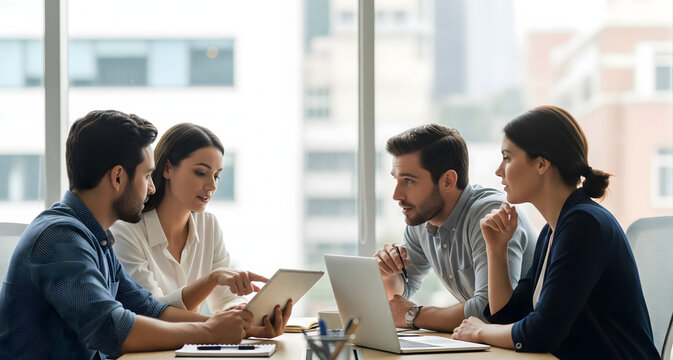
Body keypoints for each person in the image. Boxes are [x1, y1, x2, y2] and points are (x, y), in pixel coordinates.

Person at [0, 110, 283, 359]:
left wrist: (240, 327)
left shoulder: (93, 236)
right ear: (118, 177)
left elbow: (147, 308)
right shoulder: (59, 238)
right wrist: (208, 331)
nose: (151, 188)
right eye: (147, 176)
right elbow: (110, 329)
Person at [451, 106, 659, 359]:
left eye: (507, 157)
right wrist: (496, 250)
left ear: (541, 163)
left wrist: (480, 333)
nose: (499, 170)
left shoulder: (584, 224)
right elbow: (508, 318)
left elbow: (540, 333)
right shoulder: (554, 229)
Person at [110, 123, 291, 330]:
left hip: (192, 346)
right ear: (168, 168)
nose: (212, 186)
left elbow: (225, 301)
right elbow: (150, 312)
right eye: (200, 173)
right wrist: (211, 281)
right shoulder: (125, 231)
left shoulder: (209, 226)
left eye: (216, 175)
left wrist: (248, 317)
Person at [373, 124, 537, 332]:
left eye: (408, 181)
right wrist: (389, 272)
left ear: (448, 180)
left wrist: (414, 315)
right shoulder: (421, 219)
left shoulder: (490, 215)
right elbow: (400, 298)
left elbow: (489, 312)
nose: (396, 195)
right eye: (396, 180)